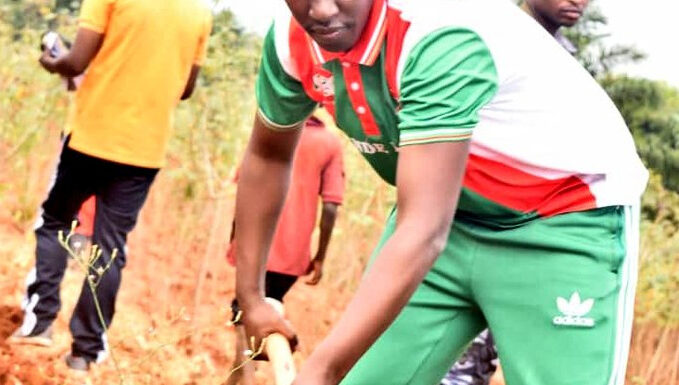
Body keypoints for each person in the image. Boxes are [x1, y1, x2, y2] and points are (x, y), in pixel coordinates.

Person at [233, 0, 647, 384]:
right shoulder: (292, 41)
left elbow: (423, 231)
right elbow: (268, 158)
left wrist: (322, 371)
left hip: (562, 220)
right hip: (441, 217)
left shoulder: (438, 31)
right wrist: (252, 298)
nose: (320, 10)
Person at [8, 0, 212, 372]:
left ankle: (39, 324)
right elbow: (185, 88)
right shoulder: (198, 13)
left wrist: (52, 60)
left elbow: (76, 63)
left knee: (54, 223)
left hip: (90, 138)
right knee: (109, 250)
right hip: (144, 152)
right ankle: (84, 353)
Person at [442, 0, 591, 383]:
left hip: (537, 232)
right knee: (452, 368)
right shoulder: (489, 36)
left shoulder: (567, 59)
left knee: (481, 366)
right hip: (471, 225)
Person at [226, 115, 345, 385]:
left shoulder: (272, 129)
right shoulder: (329, 143)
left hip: (254, 246)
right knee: (254, 316)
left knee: (246, 314)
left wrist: (236, 236)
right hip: (293, 254)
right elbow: (330, 205)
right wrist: (320, 257)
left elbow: (247, 188)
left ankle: (244, 376)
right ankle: (239, 375)